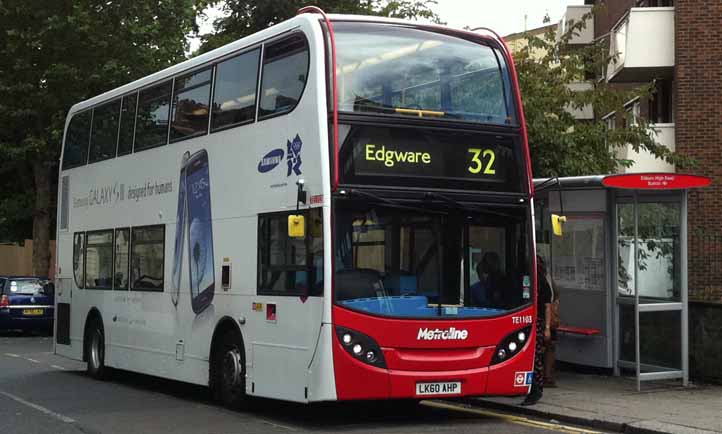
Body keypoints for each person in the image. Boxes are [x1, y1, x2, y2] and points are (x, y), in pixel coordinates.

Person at [521, 255, 554, 406]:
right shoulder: (527, 279)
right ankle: (531, 388)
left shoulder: (542, 282)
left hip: (538, 322)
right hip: (527, 320)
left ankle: (536, 389)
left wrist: (547, 328)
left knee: (536, 357)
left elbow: (547, 306)